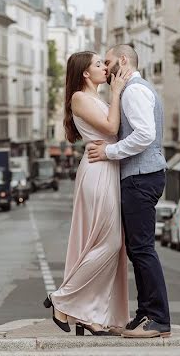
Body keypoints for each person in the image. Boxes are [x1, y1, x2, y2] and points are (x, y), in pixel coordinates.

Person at [86, 44, 171, 339]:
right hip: (143, 175)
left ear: (123, 60)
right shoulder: (137, 88)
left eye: (108, 62)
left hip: (141, 177)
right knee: (138, 250)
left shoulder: (134, 90)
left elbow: (145, 135)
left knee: (143, 249)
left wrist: (110, 152)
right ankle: (146, 312)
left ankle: (158, 318)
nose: (106, 68)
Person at [43, 51, 130, 336]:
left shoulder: (96, 98)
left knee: (101, 244)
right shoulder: (80, 98)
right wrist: (117, 92)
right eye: (98, 64)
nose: (105, 67)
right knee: (111, 242)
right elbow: (111, 127)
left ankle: (89, 314)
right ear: (84, 73)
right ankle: (63, 298)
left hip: (107, 167)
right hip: (98, 170)